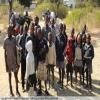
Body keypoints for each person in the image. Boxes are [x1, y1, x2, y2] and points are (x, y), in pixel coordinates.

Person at [4, 26, 20, 96]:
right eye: (8, 31)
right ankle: (11, 91)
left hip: (14, 61)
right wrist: (6, 64)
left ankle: (17, 90)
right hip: (8, 62)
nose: (10, 32)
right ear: (7, 31)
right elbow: (5, 53)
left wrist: (17, 61)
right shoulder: (5, 40)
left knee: (15, 76)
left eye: (11, 30)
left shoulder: (14, 39)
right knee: (10, 76)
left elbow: (16, 51)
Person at [36, 28, 49, 95]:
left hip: (44, 61)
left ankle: (46, 89)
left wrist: (45, 48)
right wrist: (41, 52)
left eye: (40, 32)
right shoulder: (36, 41)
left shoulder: (44, 40)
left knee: (45, 76)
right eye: (38, 32)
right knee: (39, 77)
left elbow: (47, 50)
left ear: (41, 33)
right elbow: (35, 52)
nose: (39, 34)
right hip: (39, 61)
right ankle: (40, 89)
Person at [55, 23, 66, 88]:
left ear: (62, 29)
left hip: (62, 56)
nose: (61, 29)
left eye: (61, 28)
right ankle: (60, 79)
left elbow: (65, 46)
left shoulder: (64, 37)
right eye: (60, 28)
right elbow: (56, 46)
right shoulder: (57, 36)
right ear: (59, 29)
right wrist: (56, 54)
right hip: (58, 55)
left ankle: (62, 82)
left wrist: (64, 53)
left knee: (62, 69)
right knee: (59, 68)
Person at [19, 25, 28, 91]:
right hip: (22, 57)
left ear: (27, 30)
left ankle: (27, 85)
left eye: (26, 29)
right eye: (24, 29)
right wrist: (20, 48)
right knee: (22, 72)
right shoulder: (21, 37)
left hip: (27, 57)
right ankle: (22, 85)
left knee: (27, 71)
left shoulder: (29, 37)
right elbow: (18, 44)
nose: (25, 30)